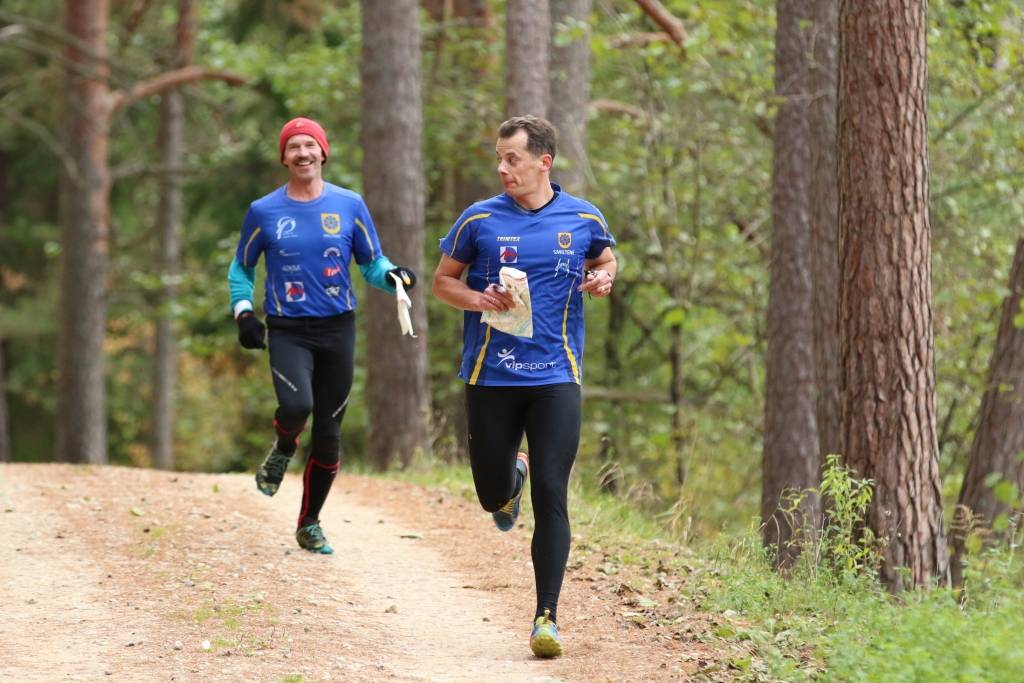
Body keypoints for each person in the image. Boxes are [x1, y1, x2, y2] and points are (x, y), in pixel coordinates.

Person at [432, 115, 617, 658]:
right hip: (491, 374)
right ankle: (510, 474)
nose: (502, 168)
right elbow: (444, 281)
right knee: (493, 495)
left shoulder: (582, 217)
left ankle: (547, 618)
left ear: (543, 161)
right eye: (499, 157)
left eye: (511, 158)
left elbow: (604, 258)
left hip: (557, 375)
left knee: (553, 494)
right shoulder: (479, 219)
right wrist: (478, 299)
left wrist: (604, 277)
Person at [228, 117, 415, 554]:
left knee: (329, 433)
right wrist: (243, 313)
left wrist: (397, 278)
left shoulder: (349, 205)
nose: (302, 154)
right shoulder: (264, 210)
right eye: (293, 147)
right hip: (288, 328)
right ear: (284, 158)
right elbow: (242, 266)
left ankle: (309, 522)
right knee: (297, 405)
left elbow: (372, 263)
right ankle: (284, 443)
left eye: (309, 145)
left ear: (323, 153)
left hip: (338, 327)